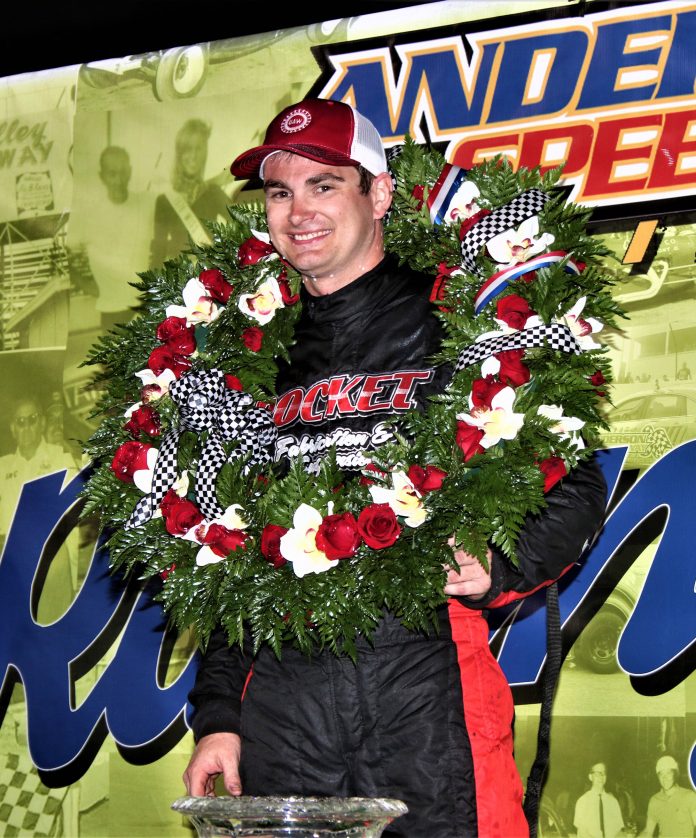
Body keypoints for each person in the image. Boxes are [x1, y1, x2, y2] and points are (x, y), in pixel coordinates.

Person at [182, 98, 608, 837]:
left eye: (324, 186)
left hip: (427, 669)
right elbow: (227, 555)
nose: (298, 212)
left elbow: (570, 477)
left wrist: (499, 561)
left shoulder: (464, 317)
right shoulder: (241, 356)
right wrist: (219, 716)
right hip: (284, 688)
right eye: (280, 193)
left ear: (378, 194)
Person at [69, 145, 153, 329]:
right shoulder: (90, 215)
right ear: (102, 176)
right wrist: (91, 287)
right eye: (112, 173)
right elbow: (65, 260)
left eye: (123, 172)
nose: (118, 180)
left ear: (130, 172)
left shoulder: (146, 204)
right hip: (111, 312)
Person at [149, 118, 230, 268]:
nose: (193, 156)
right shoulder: (164, 201)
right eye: (187, 149)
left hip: (208, 275)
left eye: (198, 149)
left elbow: (244, 226)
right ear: (179, 154)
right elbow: (158, 253)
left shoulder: (213, 193)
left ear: (204, 153)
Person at [641, 755, 696, 837]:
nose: (665, 778)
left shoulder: (690, 796)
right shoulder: (654, 800)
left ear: (675, 774)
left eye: (668, 773)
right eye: (661, 774)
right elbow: (648, 832)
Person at [574, 761, 625, 838]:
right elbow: (582, 832)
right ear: (590, 777)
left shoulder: (613, 802)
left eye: (603, 773)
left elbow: (619, 831)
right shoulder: (583, 801)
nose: (601, 776)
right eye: (597, 773)